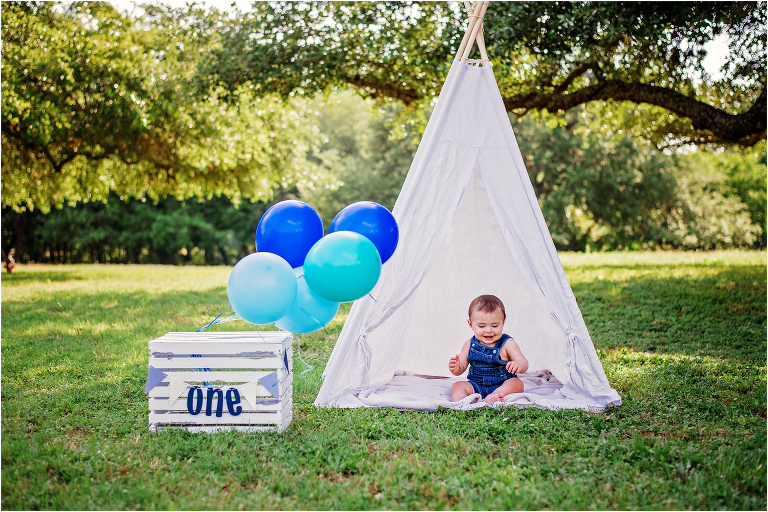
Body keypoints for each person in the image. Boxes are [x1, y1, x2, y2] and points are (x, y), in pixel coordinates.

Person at [448, 294, 528, 404]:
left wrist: (518, 364)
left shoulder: (507, 343)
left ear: (503, 322)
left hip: (502, 384)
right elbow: (461, 367)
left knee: (517, 383)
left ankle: (494, 396)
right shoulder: (469, 344)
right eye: (482, 326)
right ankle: (462, 404)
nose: (489, 330)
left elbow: (523, 362)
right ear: (470, 324)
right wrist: (456, 367)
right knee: (457, 385)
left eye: (495, 326)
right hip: (476, 385)